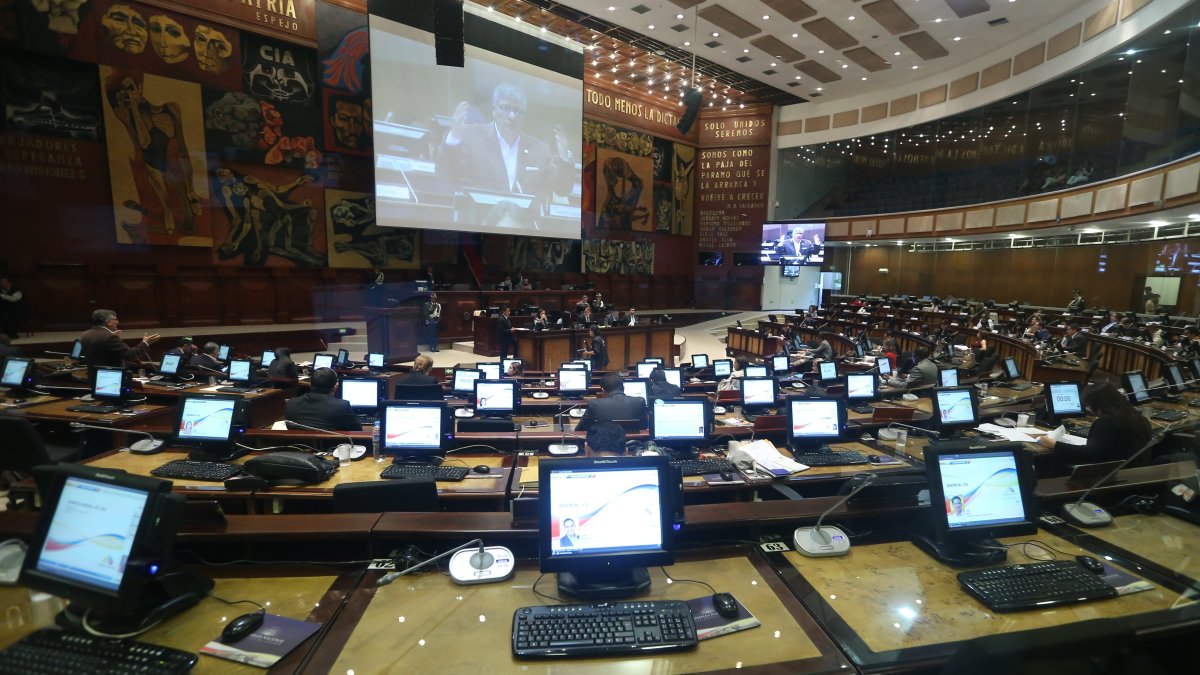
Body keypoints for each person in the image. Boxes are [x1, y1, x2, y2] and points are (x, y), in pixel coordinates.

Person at [436, 83, 574, 200]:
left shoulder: (539, 149)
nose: (512, 116)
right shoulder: (471, 136)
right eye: (506, 108)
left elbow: (562, 190)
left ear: (524, 116)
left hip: (525, 227)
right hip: (481, 224)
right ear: (494, 110)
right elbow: (446, 173)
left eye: (518, 110)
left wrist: (564, 159)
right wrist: (453, 137)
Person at [1038, 383, 1153, 464]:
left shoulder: (1106, 422)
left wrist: (1054, 444)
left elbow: (1090, 453)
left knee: (1055, 462)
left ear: (1097, 404)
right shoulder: (1137, 417)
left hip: (1111, 475)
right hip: (1134, 470)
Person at [285, 367, 359, 431]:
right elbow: (357, 431)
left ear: (310, 385)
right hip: (331, 446)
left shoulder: (291, 403)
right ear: (335, 387)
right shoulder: (342, 406)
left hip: (299, 446)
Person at [79, 309, 159, 368]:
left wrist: (110, 336)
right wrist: (146, 342)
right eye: (115, 319)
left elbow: (102, 352)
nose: (118, 322)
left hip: (93, 378)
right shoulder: (109, 337)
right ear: (108, 322)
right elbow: (130, 355)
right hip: (111, 379)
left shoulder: (85, 334)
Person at [575, 373, 645, 432]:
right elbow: (644, 427)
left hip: (602, 446)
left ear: (603, 390)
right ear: (623, 387)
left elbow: (580, 430)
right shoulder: (639, 402)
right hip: (633, 445)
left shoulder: (594, 404)